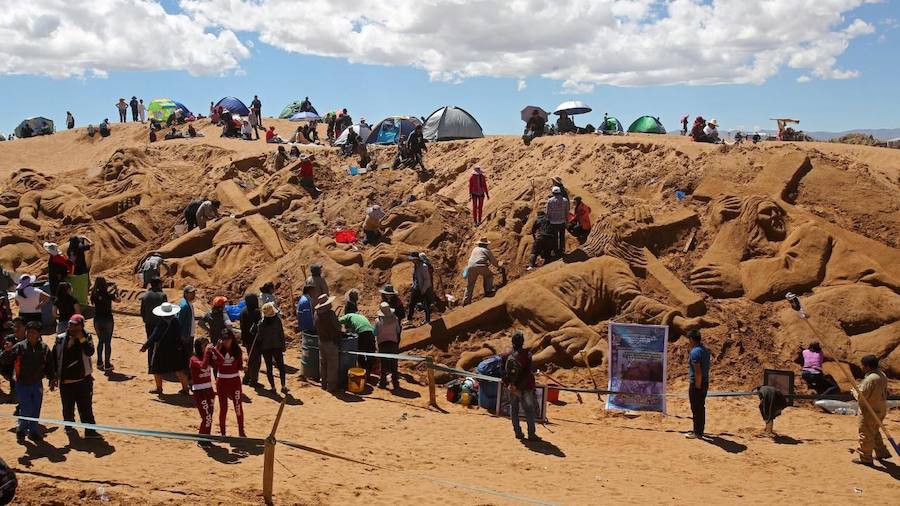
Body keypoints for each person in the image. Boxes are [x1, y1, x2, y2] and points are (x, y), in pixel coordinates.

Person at [0, 321, 54, 443]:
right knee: (26, 407)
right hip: (22, 383)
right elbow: (5, 360)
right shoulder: (20, 347)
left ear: (38, 334)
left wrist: (52, 378)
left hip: (36, 383)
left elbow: (49, 364)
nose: (30, 335)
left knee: (36, 407)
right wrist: (7, 351)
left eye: (33, 332)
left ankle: (33, 431)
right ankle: (21, 429)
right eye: (28, 332)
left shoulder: (44, 348)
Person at [50, 314, 100, 438]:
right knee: (67, 407)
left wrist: (81, 338)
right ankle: (69, 427)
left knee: (86, 408)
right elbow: (54, 358)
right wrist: (53, 376)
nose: (73, 328)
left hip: (83, 381)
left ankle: (90, 431)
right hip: (66, 382)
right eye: (71, 325)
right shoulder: (61, 338)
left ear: (81, 326)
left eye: (76, 325)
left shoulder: (86, 337)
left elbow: (90, 351)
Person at [141, 302, 190, 395]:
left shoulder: (162, 323)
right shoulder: (176, 321)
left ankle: (159, 388)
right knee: (178, 369)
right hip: (176, 348)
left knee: (157, 369)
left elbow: (154, 336)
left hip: (162, 349)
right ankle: (185, 388)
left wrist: (145, 346)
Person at [852, 354, 890, 466]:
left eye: (862, 365)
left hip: (870, 410)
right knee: (874, 430)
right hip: (881, 408)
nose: (861, 367)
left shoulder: (870, 379)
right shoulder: (881, 375)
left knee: (866, 433)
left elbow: (861, 396)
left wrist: (854, 391)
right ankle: (882, 452)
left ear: (867, 366)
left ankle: (865, 458)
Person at [503, 330, 539, 441]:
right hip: (526, 386)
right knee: (529, 410)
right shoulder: (527, 355)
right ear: (523, 341)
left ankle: (518, 433)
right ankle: (531, 434)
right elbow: (528, 371)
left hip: (513, 387)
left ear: (512, 341)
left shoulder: (507, 355)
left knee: (514, 410)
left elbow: (504, 372)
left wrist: (510, 384)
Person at [212, 329, 245, 436]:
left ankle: (241, 431)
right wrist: (216, 349)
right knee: (223, 408)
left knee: (238, 406)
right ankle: (223, 432)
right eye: (224, 339)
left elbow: (239, 366)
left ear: (232, 339)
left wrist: (244, 368)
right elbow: (213, 363)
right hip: (222, 381)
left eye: (228, 339)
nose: (226, 341)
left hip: (234, 381)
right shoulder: (218, 350)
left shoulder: (237, 350)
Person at [686, 329, 711, 439]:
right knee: (701, 407)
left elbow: (697, 371)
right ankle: (700, 430)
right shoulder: (705, 350)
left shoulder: (695, 352)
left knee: (696, 408)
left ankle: (697, 432)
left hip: (698, 383)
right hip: (705, 382)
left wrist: (697, 385)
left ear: (691, 339)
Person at [189, 336, 216, 436]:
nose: (207, 346)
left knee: (210, 416)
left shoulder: (208, 357)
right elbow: (203, 366)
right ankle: (202, 438)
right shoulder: (193, 359)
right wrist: (208, 353)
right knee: (206, 417)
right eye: (204, 345)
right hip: (200, 392)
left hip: (209, 390)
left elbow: (220, 363)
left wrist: (216, 350)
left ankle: (206, 437)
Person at [258, 302, 287, 393]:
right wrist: (283, 345)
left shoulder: (261, 323)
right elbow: (281, 333)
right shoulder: (277, 321)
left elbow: (259, 337)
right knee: (281, 366)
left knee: (269, 368)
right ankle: (283, 385)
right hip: (277, 346)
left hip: (266, 348)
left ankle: (273, 387)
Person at [314, 295, 341, 393]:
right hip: (331, 342)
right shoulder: (330, 314)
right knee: (332, 364)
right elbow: (338, 327)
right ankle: (331, 386)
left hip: (321, 340)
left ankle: (323, 383)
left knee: (323, 363)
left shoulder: (316, 314)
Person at [90, 278, 117, 372]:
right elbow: (118, 300)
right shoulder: (108, 295)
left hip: (97, 319)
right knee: (108, 342)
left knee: (101, 341)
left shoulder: (94, 295)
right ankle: (107, 363)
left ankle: (99, 362)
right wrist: (115, 291)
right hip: (108, 319)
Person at [339, 309, 375, 379]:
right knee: (370, 353)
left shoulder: (348, 316)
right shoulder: (359, 317)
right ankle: (368, 372)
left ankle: (362, 372)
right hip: (370, 332)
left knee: (360, 353)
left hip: (362, 333)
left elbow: (338, 321)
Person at [463, 238, 500, 305]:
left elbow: (475, 258)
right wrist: (499, 266)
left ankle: (466, 302)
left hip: (470, 267)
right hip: (480, 266)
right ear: (485, 244)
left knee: (470, 285)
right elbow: (494, 262)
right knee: (489, 275)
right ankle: (488, 291)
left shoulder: (475, 249)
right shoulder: (486, 250)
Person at [374, 302, 401, 389]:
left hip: (382, 344)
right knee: (394, 364)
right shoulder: (395, 319)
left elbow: (375, 332)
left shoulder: (378, 321)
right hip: (393, 343)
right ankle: (395, 383)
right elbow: (398, 331)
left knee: (383, 364)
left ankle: (382, 382)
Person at [240, 292, 263, 387]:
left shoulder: (243, 311)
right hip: (255, 340)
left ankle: (247, 378)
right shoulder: (256, 312)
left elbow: (242, 327)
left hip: (246, 339)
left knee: (250, 359)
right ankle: (253, 380)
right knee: (256, 361)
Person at [408, 253, 435, 324]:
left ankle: (428, 320)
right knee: (411, 304)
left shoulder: (424, 266)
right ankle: (409, 320)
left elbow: (427, 280)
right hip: (416, 287)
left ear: (417, 259)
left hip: (423, 288)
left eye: (412, 259)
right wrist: (413, 285)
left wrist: (423, 290)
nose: (411, 261)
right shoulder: (416, 265)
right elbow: (416, 276)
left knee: (425, 305)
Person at [139, 277, 167, 343]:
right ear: (158, 284)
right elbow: (166, 311)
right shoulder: (162, 295)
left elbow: (142, 311)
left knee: (150, 342)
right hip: (159, 324)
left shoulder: (145, 295)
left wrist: (145, 320)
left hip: (149, 323)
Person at [67, 235, 93, 303]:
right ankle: (85, 299)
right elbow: (92, 244)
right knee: (85, 284)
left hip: (73, 269)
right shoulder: (80, 248)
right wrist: (85, 237)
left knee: (76, 285)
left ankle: (77, 298)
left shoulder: (69, 250)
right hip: (82, 269)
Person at [546, 186, 569, 258]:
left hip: (553, 222)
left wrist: (548, 220)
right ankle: (562, 250)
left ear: (553, 193)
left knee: (555, 237)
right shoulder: (565, 200)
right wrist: (567, 221)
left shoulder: (550, 200)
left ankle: (556, 251)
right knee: (562, 236)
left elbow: (548, 212)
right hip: (562, 222)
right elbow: (567, 212)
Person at [177, 285, 197, 350]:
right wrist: (182, 336)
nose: (194, 294)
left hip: (189, 334)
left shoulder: (188, 303)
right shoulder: (184, 305)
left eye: (194, 292)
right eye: (191, 293)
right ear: (185, 293)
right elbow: (179, 321)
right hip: (186, 336)